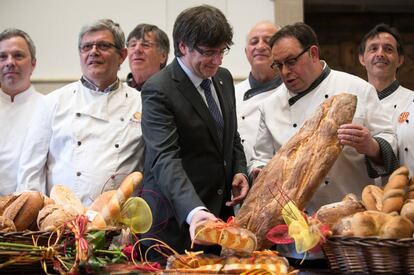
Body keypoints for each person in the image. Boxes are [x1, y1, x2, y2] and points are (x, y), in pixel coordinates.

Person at [249, 22, 397, 262]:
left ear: (314, 53)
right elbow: (261, 158)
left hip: (353, 235)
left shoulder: (358, 89)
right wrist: (258, 171)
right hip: (296, 241)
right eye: (279, 65)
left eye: (291, 61)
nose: (285, 72)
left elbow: (391, 144)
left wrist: (370, 146)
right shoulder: (270, 106)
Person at [140, 5, 249, 255]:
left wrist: (240, 170)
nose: (218, 61)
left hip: (216, 220)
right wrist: (194, 211)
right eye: (209, 52)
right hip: (175, 225)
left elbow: (230, 136)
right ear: (182, 46)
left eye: (223, 51)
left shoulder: (223, 78)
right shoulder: (159, 89)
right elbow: (164, 158)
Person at [17, 19, 144, 205]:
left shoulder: (141, 103)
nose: (93, 51)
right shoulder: (52, 102)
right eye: (86, 47)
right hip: (62, 226)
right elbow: (30, 172)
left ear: (122, 55)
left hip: (120, 224)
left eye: (103, 45)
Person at [0, 28, 43, 195]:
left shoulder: (48, 107)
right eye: (2, 56)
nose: (10, 62)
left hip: (30, 210)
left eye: (18, 55)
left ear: (33, 64)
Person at [235, 21, 281, 164]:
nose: (260, 46)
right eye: (254, 42)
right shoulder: (232, 93)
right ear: (246, 51)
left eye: (267, 41)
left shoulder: (291, 93)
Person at [359, 23, 414, 124]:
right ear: (362, 59)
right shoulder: (351, 102)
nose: (380, 54)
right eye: (373, 49)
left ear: (400, 60)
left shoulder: (411, 102)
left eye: (388, 49)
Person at [126, 23, 169, 91]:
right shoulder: (116, 92)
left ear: (163, 56)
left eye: (145, 45)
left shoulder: (172, 92)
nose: (137, 50)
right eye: (133, 45)